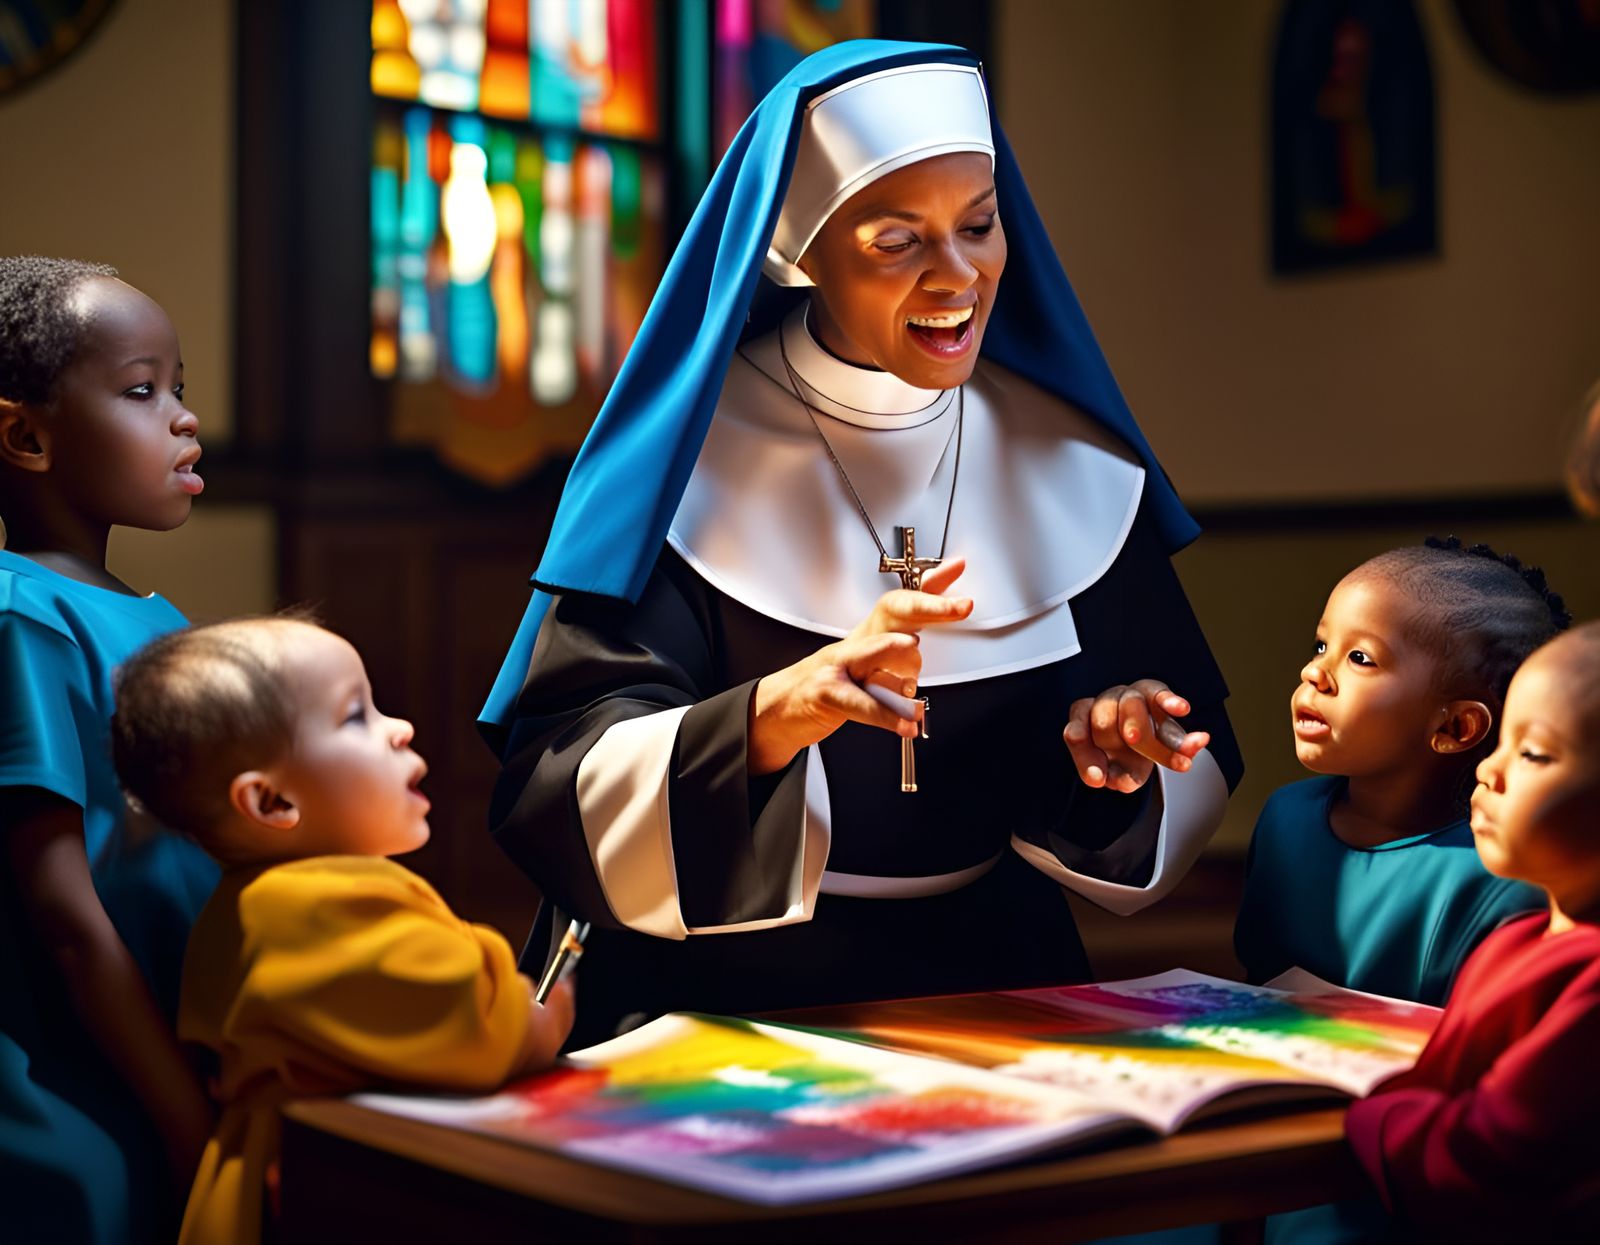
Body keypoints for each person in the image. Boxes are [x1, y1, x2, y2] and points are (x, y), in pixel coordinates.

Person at [481, 41, 1243, 1046]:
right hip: (724, 991)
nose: (958, 275)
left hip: (996, 974)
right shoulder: (687, 463)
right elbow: (558, 781)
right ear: (800, 251)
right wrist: (770, 717)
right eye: (897, 241)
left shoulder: (1072, 461)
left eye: (979, 226)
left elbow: (1188, 753)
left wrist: (1121, 756)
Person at [110, 616, 576, 1245]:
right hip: (327, 1192)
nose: (399, 728)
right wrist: (535, 1016)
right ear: (273, 802)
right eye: (357, 716)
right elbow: (470, 1019)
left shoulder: (251, 905)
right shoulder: (317, 908)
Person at [0, 256, 218, 1242]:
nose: (183, 418)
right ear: (27, 436)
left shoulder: (158, 619)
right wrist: (183, 1121)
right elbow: (66, 919)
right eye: (142, 391)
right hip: (87, 1079)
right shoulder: (24, 616)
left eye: (180, 388)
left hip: (181, 1029)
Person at [1344, 621, 1600, 1240]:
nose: (1489, 770)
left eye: (1533, 754)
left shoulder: (1591, 980)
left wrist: (1367, 1116)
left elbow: (1480, 1159)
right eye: (1503, 742)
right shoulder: (1516, 939)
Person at [1235, 538, 1555, 1007]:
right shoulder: (1285, 817)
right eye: (1322, 645)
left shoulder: (1497, 874)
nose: (1314, 673)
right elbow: (1256, 979)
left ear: (1454, 727)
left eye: (1360, 658)